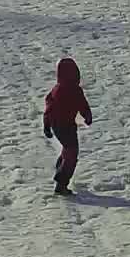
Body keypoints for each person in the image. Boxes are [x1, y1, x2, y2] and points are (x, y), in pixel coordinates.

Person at [42, 58, 94, 195]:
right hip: (64, 126)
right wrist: (87, 116)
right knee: (71, 153)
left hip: (60, 126)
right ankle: (61, 183)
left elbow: (49, 107)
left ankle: (61, 170)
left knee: (68, 150)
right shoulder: (70, 90)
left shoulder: (58, 89)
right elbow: (82, 105)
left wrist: (46, 124)